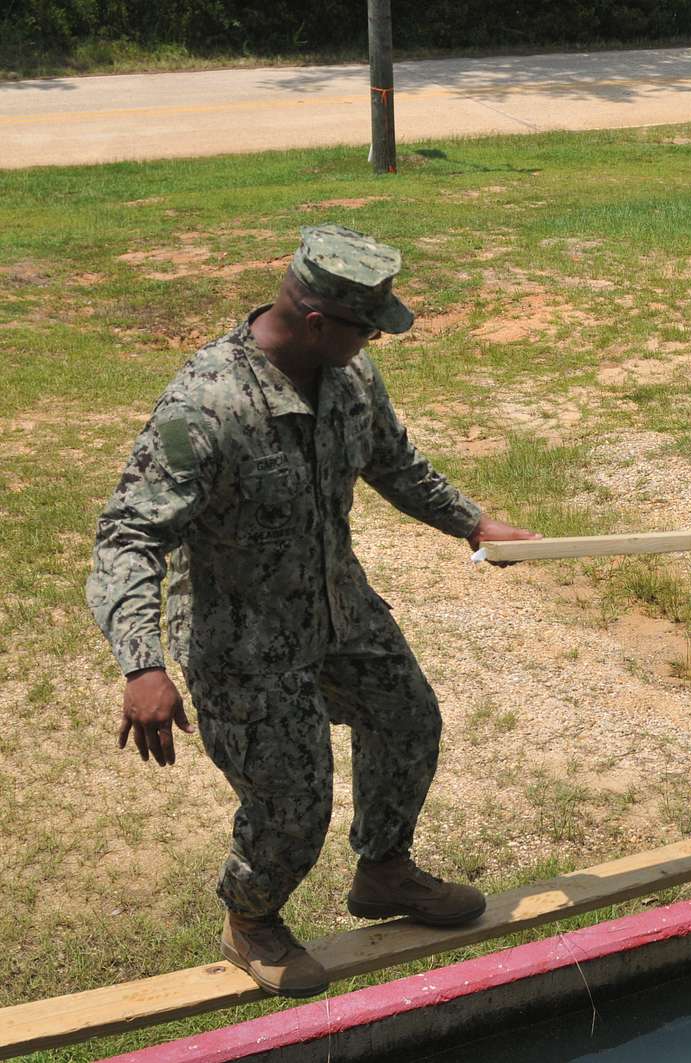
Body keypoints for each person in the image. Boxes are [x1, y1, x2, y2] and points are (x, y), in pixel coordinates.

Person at [85, 224, 540, 998]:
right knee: (294, 808)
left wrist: (472, 521)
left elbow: (393, 461)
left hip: (340, 608)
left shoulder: (349, 375)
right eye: (365, 327)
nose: (373, 342)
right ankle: (250, 916)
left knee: (408, 719)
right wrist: (143, 661)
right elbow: (129, 536)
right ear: (317, 323)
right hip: (244, 642)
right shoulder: (207, 406)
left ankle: (385, 872)